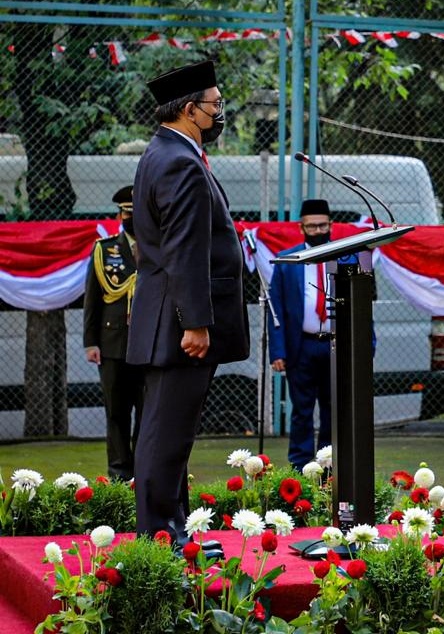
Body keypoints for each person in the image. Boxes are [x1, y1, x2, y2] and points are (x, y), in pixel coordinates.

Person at [127, 59, 249, 542]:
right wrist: (196, 323)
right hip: (181, 326)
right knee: (167, 435)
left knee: (165, 433)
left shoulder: (160, 153)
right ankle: (160, 537)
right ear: (189, 110)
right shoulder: (178, 162)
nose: (220, 114)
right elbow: (184, 250)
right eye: (215, 105)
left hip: (166, 319)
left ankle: (170, 533)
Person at [268, 199, 338, 471]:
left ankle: (330, 463)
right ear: (302, 227)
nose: (318, 231)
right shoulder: (289, 262)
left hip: (334, 345)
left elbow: (362, 307)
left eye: (322, 225)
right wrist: (278, 352)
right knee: (302, 410)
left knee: (334, 409)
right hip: (302, 346)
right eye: (312, 226)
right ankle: (300, 465)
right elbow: (277, 310)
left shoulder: (344, 257)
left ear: (330, 224)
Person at [82, 186, 145, 481]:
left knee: (146, 414)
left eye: (134, 213)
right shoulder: (104, 250)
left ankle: (145, 471)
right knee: (117, 413)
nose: (129, 218)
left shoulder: (156, 248)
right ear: (119, 215)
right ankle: (119, 472)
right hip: (112, 345)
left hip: (148, 346)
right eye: (125, 213)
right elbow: (92, 300)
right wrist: (91, 342)